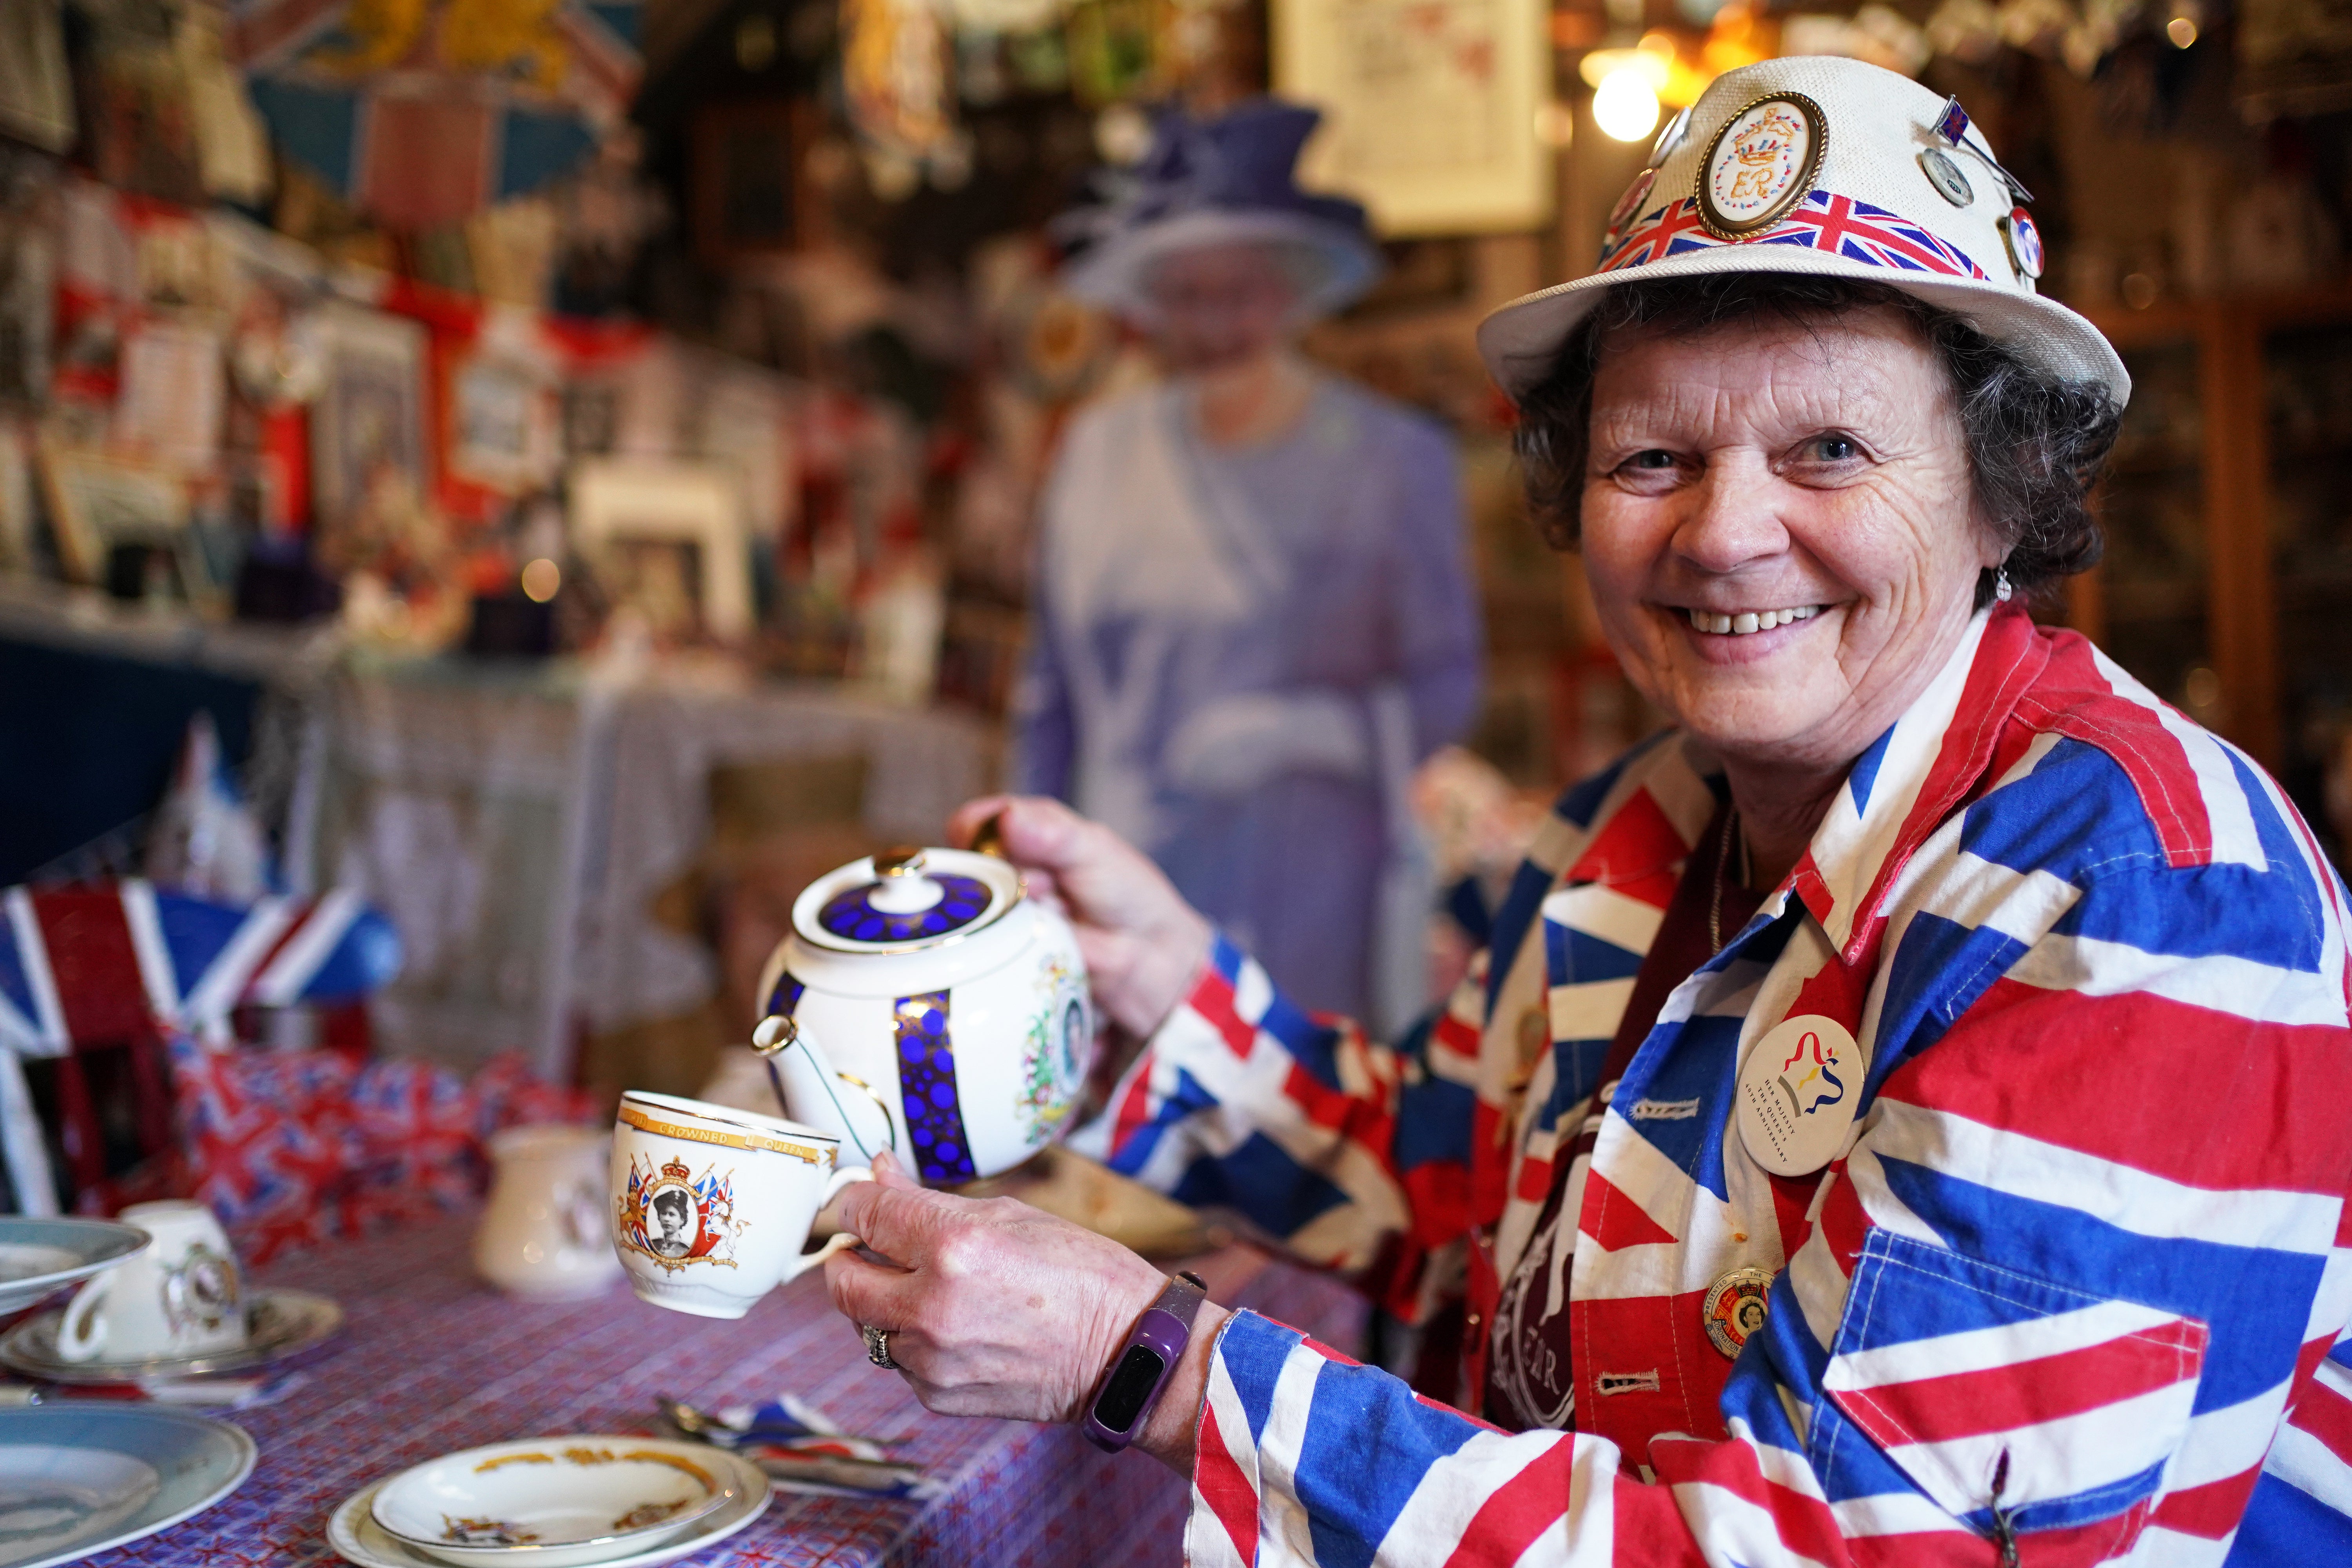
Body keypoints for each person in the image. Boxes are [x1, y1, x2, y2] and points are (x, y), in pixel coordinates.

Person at [824, 57, 2352, 1563]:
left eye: (1828, 446)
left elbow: (1842, 1555)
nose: (1726, 532)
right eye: (1652, 456)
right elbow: (1471, 1202)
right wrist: (1163, 997)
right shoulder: (1637, 824)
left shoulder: (2147, 895)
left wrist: (1141, 1355)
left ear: (2000, 491)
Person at [1016, 98, 1483, 1031]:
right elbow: (1049, 696)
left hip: (1309, 893)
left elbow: (1449, 680)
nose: (1216, 321)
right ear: (1148, 301)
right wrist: (1024, 873)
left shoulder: (1392, 459)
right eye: (1187, 294)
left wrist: (1308, 731)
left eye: (1243, 290)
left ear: (1293, 287)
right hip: (1121, 883)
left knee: (1289, 1140)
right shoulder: (1094, 453)